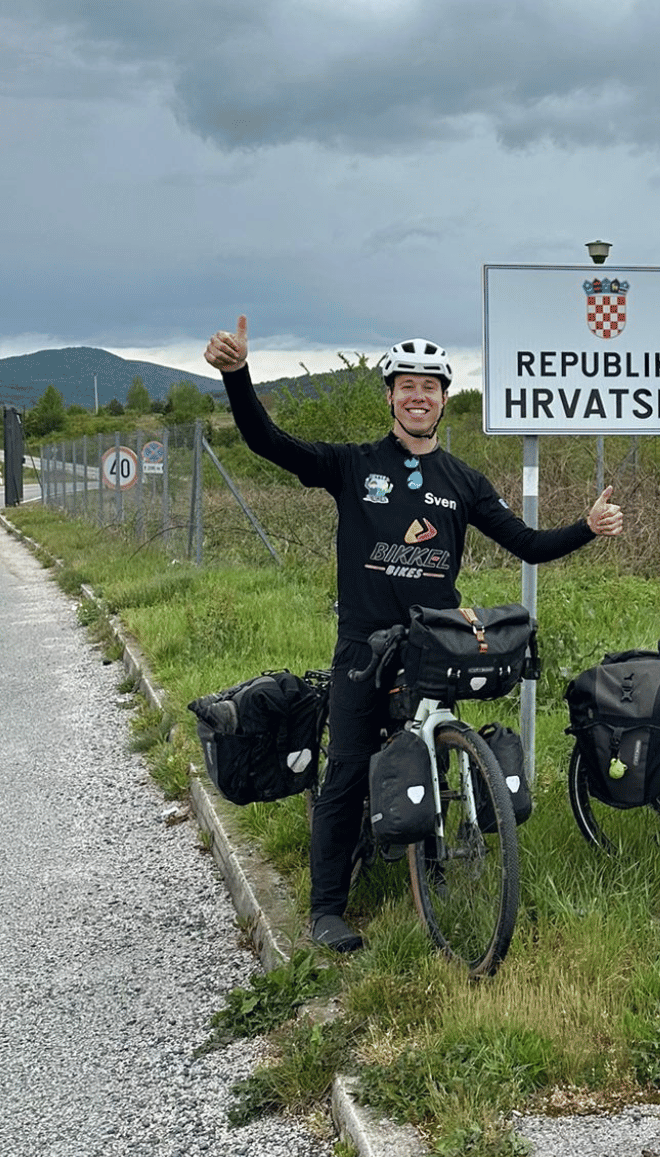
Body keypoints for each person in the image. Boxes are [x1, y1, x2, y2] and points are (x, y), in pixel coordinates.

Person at [204, 317, 623, 952]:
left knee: (434, 749)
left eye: (430, 386)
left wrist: (586, 526)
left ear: (444, 399)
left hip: (434, 646)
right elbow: (270, 442)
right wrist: (238, 377)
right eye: (407, 386)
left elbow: (528, 547)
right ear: (391, 396)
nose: (418, 396)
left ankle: (429, 869)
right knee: (346, 769)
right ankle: (326, 909)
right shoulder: (354, 466)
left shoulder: (462, 481)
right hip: (363, 647)